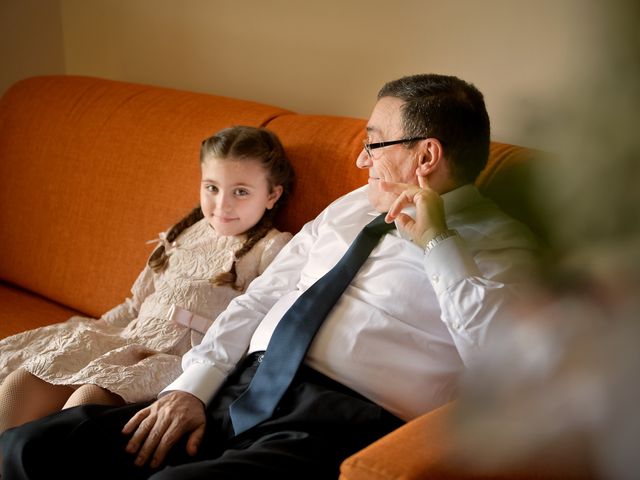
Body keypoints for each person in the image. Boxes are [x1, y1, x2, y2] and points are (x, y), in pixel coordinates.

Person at [0, 73, 541, 479]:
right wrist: (192, 387)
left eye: (374, 143)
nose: (361, 161)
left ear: (426, 155)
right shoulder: (354, 206)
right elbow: (264, 297)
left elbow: (504, 364)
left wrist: (438, 244)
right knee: (28, 450)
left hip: (339, 421)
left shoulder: (505, 245)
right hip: (238, 386)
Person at [0, 125, 295, 435]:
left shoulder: (271, 248)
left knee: (85, 400)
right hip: (130, 338)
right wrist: (92, 330)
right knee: (24, 380)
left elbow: (262, 323)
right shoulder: (184, 232)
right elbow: (136, 305)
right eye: (211, 187)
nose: (222, 205)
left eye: (241, 192)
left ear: (272, 194)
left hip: (177, 357)